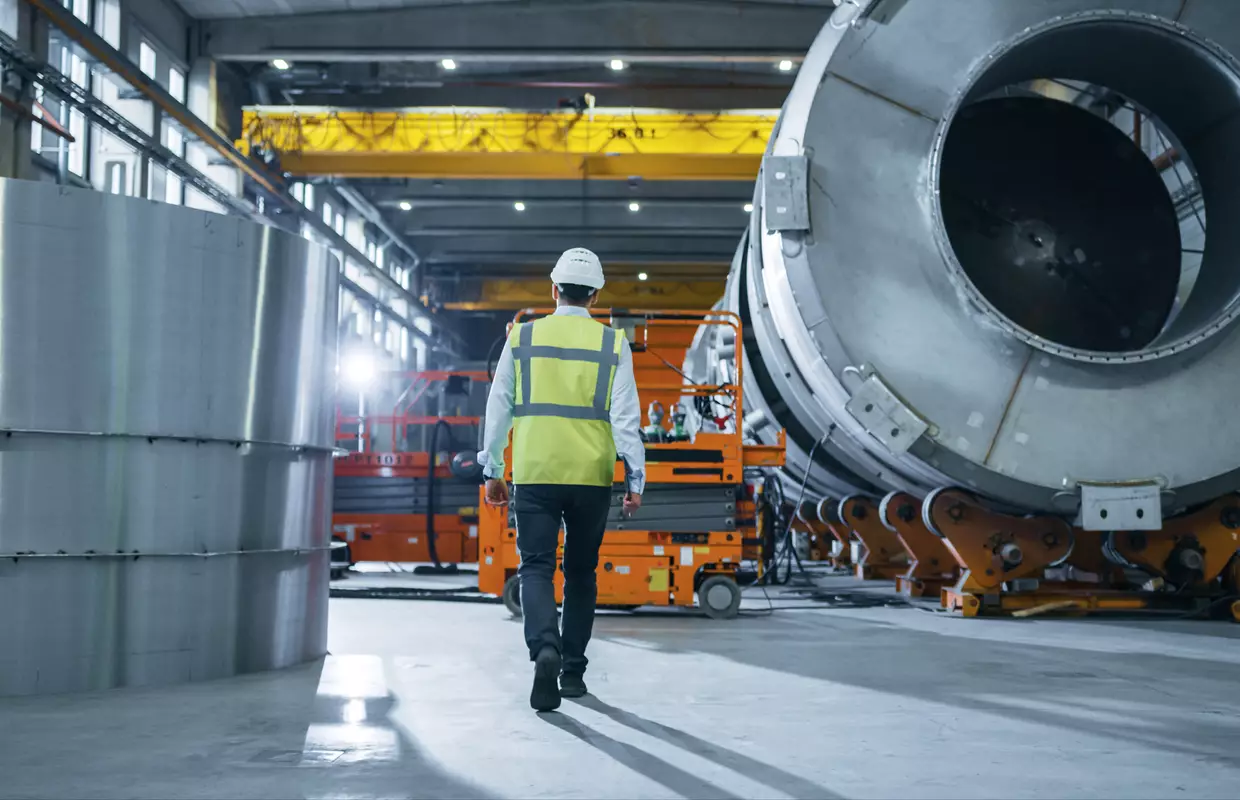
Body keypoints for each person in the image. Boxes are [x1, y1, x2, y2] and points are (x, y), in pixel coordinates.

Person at [478, 247, 645, 712]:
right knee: (580, 573)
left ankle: (544, 647)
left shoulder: (522, 338)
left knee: (535, 567)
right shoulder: (614, 343)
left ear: (553, 291)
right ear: (594, 295)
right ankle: (571, 671)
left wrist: (492, 469)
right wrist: (635, 480)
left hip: (535, 471)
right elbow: (626, 418)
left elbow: (499, 408)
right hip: (591, 475)